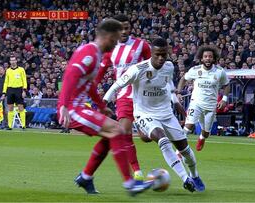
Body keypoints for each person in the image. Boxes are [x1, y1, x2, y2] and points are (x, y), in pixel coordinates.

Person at [57, 19, 151, 196]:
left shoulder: (96, 54)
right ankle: (130, 183)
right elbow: (70, 75)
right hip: (72, 109)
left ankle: (85, 177)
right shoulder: (89, 53)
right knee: (116, 130)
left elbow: (90, 84)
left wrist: (101, 106)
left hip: (78, 107)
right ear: (107, 36)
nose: (116, 44)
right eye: (115, 40)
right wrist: (62, 105)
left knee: (111, 135)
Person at [104, 38, 205, 192]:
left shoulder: (169, 67)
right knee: (162, 139)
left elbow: (168, 84)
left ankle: (194, 175)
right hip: (144, 113)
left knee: (185, 150)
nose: (161, 58)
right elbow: (116, 85)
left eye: (164, 55)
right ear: (151, 53)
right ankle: (186, 178)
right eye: (157, 55)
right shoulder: (138, 70)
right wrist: (104, 102)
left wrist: (176, 102)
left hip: (166, 113)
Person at [85, 14, 152, 182]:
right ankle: (136, 170)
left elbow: (154, 65)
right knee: (124, 132)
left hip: (142, 94)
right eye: (120, 28)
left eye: (126, 28)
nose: (123, 31)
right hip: (123, 95)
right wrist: (90, 89)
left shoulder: (141, 45)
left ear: (130, 28)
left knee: (145, 137)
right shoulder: (111, 50)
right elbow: (100, 73)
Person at [176, 45, 230, 151]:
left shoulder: (219, 71)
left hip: (210, 105)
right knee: (188, 126)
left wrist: (224, 99)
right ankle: (178, 151)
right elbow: (183, 79)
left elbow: (227, 85)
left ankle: (202, 138)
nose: (208, 58)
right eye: (205, 56)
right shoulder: (195, 70)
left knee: (206, 132)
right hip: (196, 102)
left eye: (210, 56)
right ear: (201, 58)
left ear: (214, 58)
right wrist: (178, 93)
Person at [1, 55, 27, 130]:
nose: (12, 61)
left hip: (19, 89)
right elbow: (6, 82)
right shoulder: (8, 70)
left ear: (16, 61)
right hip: (10, 90)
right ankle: (9, 126)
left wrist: (24, 90)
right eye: (11, 60)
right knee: (10, 108)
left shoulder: (21, 70)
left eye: (14, 60)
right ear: (10, 62)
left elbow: (24, 80)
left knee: (20, 107)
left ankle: (23, 125)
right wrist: (4, 92)